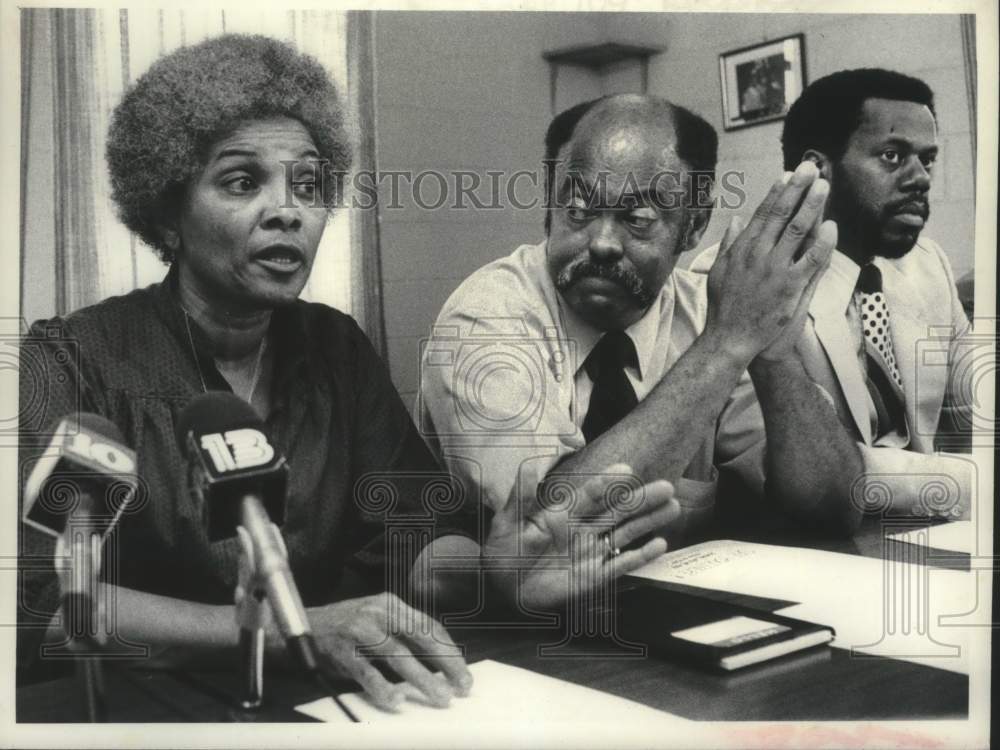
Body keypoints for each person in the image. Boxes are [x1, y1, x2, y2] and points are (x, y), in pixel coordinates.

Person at [17, 36, 680, 709]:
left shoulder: (334, 347)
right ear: (167, 211)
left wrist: (495, 573)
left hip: (335, 706)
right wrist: (284, 631)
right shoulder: (75, 359)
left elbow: (417, 534)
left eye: (308, 185)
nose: (289, 211)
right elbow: (37, 602)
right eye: (243, 182)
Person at [420, 94, 863, 543]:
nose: (602, 243)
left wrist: (771, 356)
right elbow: (550, 531)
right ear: (549, 208)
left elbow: (835, 509)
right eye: (578, 211)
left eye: (638, 218)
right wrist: (725, 345)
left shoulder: (704, 311)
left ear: (694, 226)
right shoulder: (486, 314)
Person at [695, 68, 976, 517]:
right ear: (817, 169)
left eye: (927, 160)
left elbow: (979, 417)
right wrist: (970, 483)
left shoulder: (929, 265)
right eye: (892, 156)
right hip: (815, 542)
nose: (921, 178)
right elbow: (792, 475)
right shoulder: (736, 281)